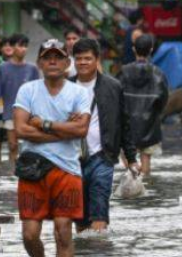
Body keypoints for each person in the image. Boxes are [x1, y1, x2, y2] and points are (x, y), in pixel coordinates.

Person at [14, 38, 92, 257]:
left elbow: (81, 130)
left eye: (58, 57)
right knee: (29, 235)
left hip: (67, 170)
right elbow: (21, 129)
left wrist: (43, 124)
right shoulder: (27, 90)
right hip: (32, 168)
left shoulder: (79, 93)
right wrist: (63, 132)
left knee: (63, 231)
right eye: (47, 57)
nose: (53, 61)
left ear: (67, 63)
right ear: (39, 63)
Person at [71, 38, 139, 233]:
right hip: (72, 160)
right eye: (79, 59)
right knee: (80, 218)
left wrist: (131, 158)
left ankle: (100, 248)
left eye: (87, 58)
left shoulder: (112, 86)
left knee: (100, 210)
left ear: (97, 59)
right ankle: (84, 250)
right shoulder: (65, 88)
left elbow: (124, 124)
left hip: (103, 155)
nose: (83, 62)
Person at [118, 34, 169, 176]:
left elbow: (116, 97)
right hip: (150, 124)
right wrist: (156, 113)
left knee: (129, 156)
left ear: (134, 49)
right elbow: (164, 99)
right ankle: (144, 187)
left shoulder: (123, 72)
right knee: (146, 159)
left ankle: (134, 178)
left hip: (127, 124)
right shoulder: (158, 74)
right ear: (151, 50)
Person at [0, 33, 40, 159]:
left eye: (25, 46)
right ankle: (13, 176)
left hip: (30, 114)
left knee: (30, 146)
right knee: (12, 145)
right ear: (12, 47)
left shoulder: (32, 69)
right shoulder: (3, 68)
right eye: (20, 46)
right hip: (10, 113)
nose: (23, 49)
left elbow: (38, 92)